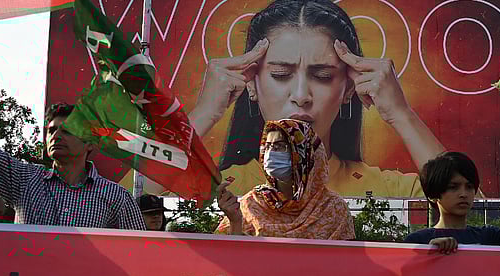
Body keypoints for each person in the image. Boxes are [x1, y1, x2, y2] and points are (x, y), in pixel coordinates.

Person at [189, 0, 443, 198]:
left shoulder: (387, 190)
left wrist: (401, 114)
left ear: (348, 90)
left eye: (322, 76)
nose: (301, 96)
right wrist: (204, 113)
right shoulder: (221, 190)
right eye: (280, 75)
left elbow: (472, 219)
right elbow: (148, 204)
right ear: (252, 85)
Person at [0, 37, 145, 230]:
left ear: (90, 143)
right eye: (52, 130)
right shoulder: (25, 180)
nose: (57, 136)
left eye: (68, 131)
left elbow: (140, 253)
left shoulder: (116, 197)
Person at [216, 118, 354, 239]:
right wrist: (234, 222)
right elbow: (232, 259)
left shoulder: (332, 208)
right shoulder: (251, 203)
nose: (270, 154)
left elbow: (345, 261)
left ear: (305, 153)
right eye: (268, 147)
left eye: (280, 146)